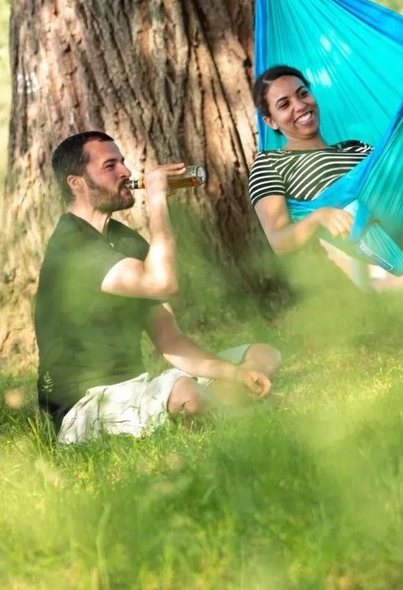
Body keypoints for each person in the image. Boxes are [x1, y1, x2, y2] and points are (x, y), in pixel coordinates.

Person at [35, 131, 281, 444]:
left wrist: (233, 373)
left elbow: (170, 339)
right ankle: (248, 417)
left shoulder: (124, 240)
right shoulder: (72, 244)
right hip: (82, 407)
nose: (126, 172)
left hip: (137, 387)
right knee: (185, 392)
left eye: (122, 162)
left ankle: (217, 404)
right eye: (110, 166)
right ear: (77, 183)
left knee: (262, 355)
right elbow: (161, 281)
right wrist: (157, 200)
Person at [248, 65, 372, 255]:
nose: (300, 105)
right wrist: (318, 217)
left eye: (303, 93)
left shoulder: (356, 146)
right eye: (284, 105)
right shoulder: (270, 164)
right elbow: (279, 241)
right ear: (271, 121)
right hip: (376, 239)